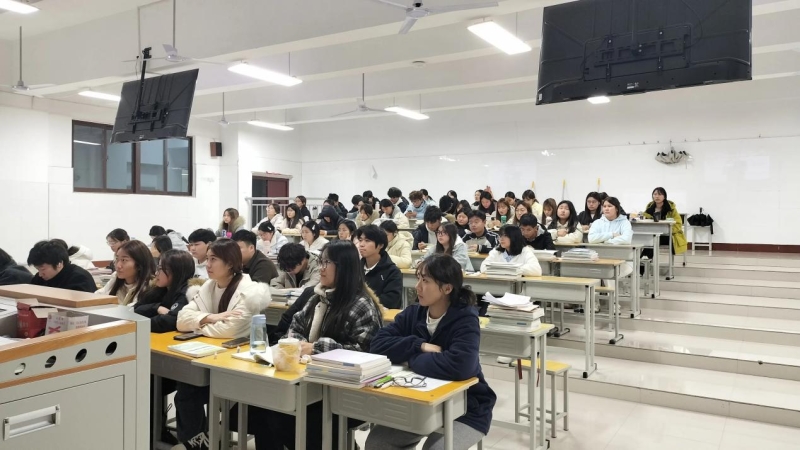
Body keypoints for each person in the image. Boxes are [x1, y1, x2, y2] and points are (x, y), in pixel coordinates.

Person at [250, 240, 384, 450]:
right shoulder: (318, 296)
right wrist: (298, 344)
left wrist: (315, 348)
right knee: (263, 408)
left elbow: (364, 353)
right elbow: (295, 326)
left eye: (326, 263)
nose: (321, 268)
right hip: (309, 381)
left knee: (287, 419)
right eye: (320, 261)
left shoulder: (361, 304)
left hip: (344, 392)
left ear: (344, 267)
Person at [366, 254, 496, 450]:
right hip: (421, 405)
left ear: (447, 288)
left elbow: (461, 366)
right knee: (377, 443)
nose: (418, 286)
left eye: (425, 281)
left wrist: (411, 360)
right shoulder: (414, 313)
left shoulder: (465, 319)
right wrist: (419, 346)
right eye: (418, 278)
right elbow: (377, 345)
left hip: (467, 409)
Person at [175, 239, 271, 449]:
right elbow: (181, 320)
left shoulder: (249, 291)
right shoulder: (208, 286)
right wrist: (211, 317)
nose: (207, 264)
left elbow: (229, 330)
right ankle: (197, 442)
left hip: (239, 364)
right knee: (185, 391)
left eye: (213, 259)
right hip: (209, 356)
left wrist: (198, 325)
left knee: (193, 392)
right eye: (207, 259)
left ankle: (205, 439)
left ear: (230, 263)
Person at [134, 250, 202, 333]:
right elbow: (135, 309)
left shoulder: (187, 292)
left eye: (160, 269)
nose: (156, 273)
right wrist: (156, 307)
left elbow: (170, 321)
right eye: (157, 268)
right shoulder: (159, 288)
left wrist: (139, 323)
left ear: (176, 271)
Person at [356, 225, 403, 309]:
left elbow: (391, 301)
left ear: (380, 245)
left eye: (367, 240)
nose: (361, 245)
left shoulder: (392, 271)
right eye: (360, 240)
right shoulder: (355, 268)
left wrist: (361, 302)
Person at [96, 240, 155, 305]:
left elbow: (133, 309)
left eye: (124, 260)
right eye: (117, 259)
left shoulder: (149, 286)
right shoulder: (116, 277)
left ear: (139, 264)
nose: (118, 265)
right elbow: (99, 295)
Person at [28, 240, 96, 292]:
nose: (40, 274)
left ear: (59, 263)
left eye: (43, 269)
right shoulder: (39, 279)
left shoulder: (79, 278)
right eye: (37, 269)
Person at [640, 187, 687, 255]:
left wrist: (668, 229)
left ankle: (645, 259)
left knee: (653, 240)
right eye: (655, 194)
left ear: (664, 196)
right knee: (649, 239)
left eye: (659, 194)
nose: (657, 196)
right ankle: (645, 259)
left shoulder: (671, 208)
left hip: (668, 235)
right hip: (653, 234)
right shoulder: (650, 207)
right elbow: (645, 219)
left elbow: (678, 223)